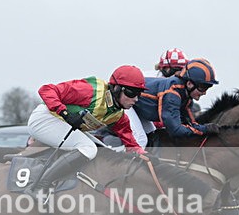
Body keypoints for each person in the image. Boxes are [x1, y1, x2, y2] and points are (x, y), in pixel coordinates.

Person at [26, 65, 148, 193]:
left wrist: (147, 157)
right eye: (131, 93)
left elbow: (132, 145)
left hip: (62, 125)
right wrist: (65, 113)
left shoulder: (117, 115)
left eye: (139, 94)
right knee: (88, 148)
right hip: (44, 120)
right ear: (116, 88)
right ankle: (41, 185)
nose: (136, 99)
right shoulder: (90, 91)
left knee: (103, 151)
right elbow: (46, 89)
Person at [132, 57, 221, 141]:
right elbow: (175, 130)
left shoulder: (186, 96)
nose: (204, 93)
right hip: (126, 103)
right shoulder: (172, 94)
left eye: (207, 88)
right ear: (190, 84)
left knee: (152, 137)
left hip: (139, 109)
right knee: (141, 139)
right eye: (202, 87)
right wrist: (205, 130)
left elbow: (190, 124)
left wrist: (206, 128)